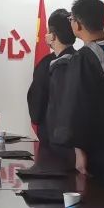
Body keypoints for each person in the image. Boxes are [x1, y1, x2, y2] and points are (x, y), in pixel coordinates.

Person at [47, 0, 104, 178]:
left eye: (71, 19)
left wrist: (78, 149)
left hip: (94, 147)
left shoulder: (83, 58)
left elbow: (75, 104)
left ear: (78, 24)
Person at [27, 9, 75, 138]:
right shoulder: (82, 60)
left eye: (48, 31)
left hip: (51, 136)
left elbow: (36, 109)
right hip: (77, 138)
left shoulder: (45, 65)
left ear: (53, 36)